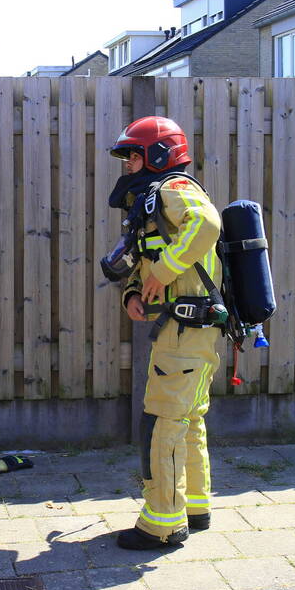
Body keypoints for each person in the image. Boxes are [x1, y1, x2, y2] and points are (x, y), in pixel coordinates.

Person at [107, 116, 222, 550]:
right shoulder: (151, 203)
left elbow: (206, 226)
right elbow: (142, 260)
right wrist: (133, 293)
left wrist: (163, 270)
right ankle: (195, 506)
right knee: (188, 419)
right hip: (186, 328)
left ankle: (161, 525)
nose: (128, 166)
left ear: (158, 155)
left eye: (133, 156)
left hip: (186, 331)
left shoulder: (175, 189)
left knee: (161, 423)